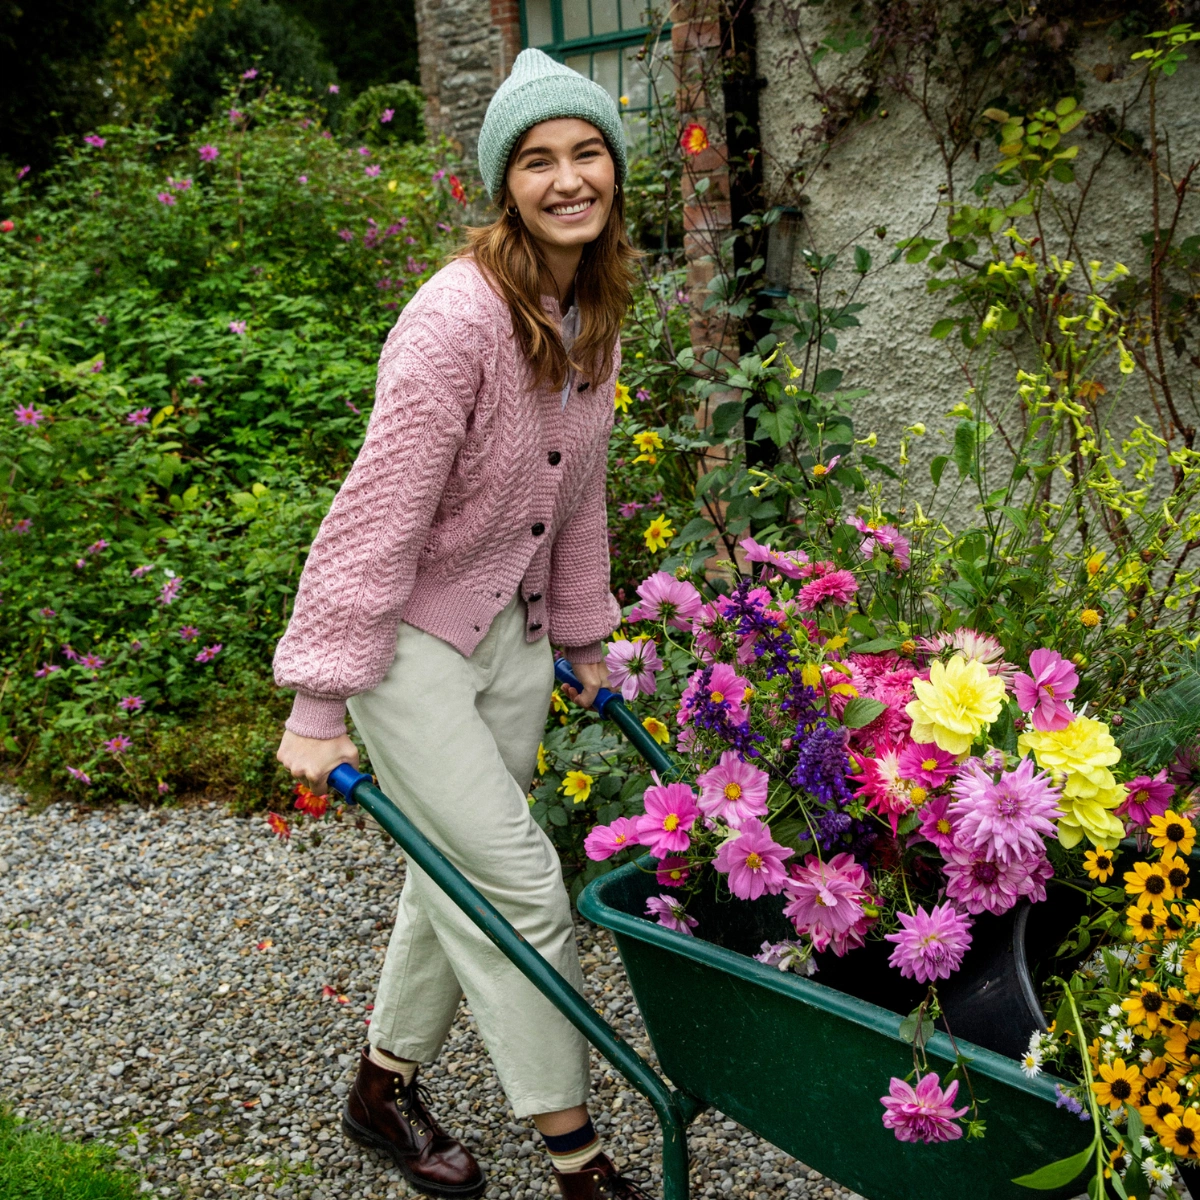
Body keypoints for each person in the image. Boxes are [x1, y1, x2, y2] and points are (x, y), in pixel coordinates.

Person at [273, 47, 652, 1200]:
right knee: (522, 892)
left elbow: (575, 493)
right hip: (409, 650)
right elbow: (377, 514)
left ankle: (379, 1091)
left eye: (587, 152)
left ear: (614, 173)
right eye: (538, 161)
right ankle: (577, 1163)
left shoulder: (593, 309)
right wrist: (320, 699)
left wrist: (585, 641)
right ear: (506, 186)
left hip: (517, 643)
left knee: (452, 880)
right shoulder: (455, 321)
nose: (568, 177)